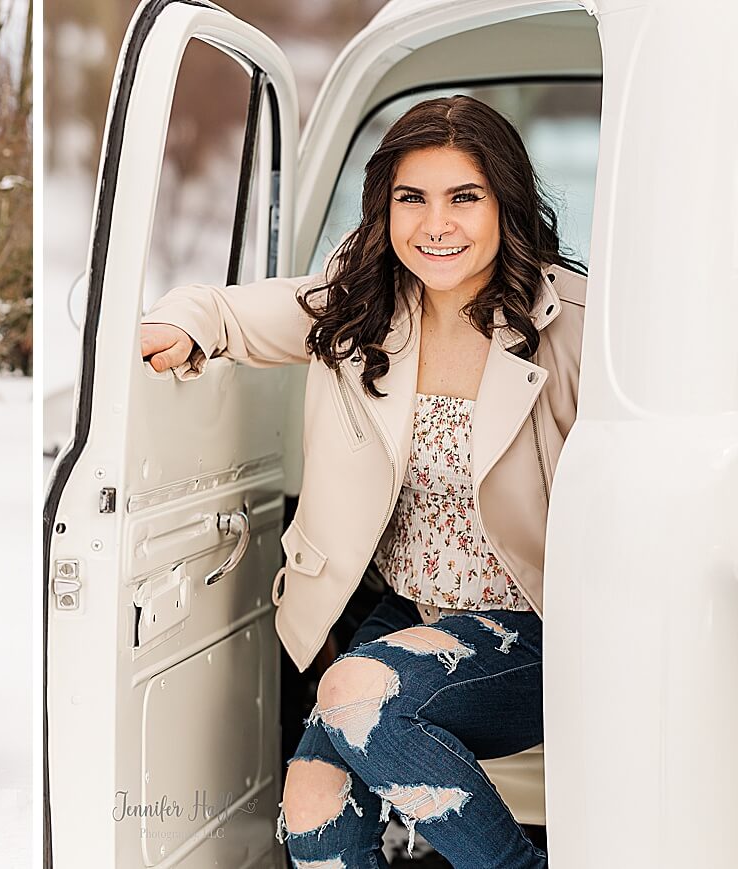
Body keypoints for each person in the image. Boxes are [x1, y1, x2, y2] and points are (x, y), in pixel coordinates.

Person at [140, 95, 584, 868]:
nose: (434, 224)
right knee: (311, 798)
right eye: (412, 198)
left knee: (354, 690)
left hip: (544, 627)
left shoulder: (573, 320)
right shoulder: (366, 302)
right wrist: (182, 324)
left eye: (463, 197)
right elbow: (237, 310)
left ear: (505, 202)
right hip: (412, 613)